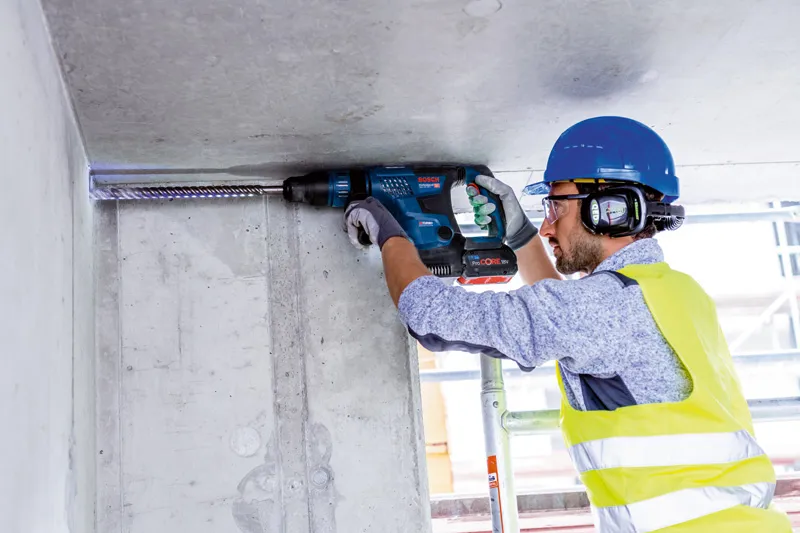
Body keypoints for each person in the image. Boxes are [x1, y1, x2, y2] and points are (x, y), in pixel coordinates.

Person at [343, 116, 792, 532]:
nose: (547, 226)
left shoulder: (605, 309)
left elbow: (432, 315)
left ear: (608, 210)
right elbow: (577, 321)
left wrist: (391, 232)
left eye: (556, 208)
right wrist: (520, 239)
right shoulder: (674, 291)